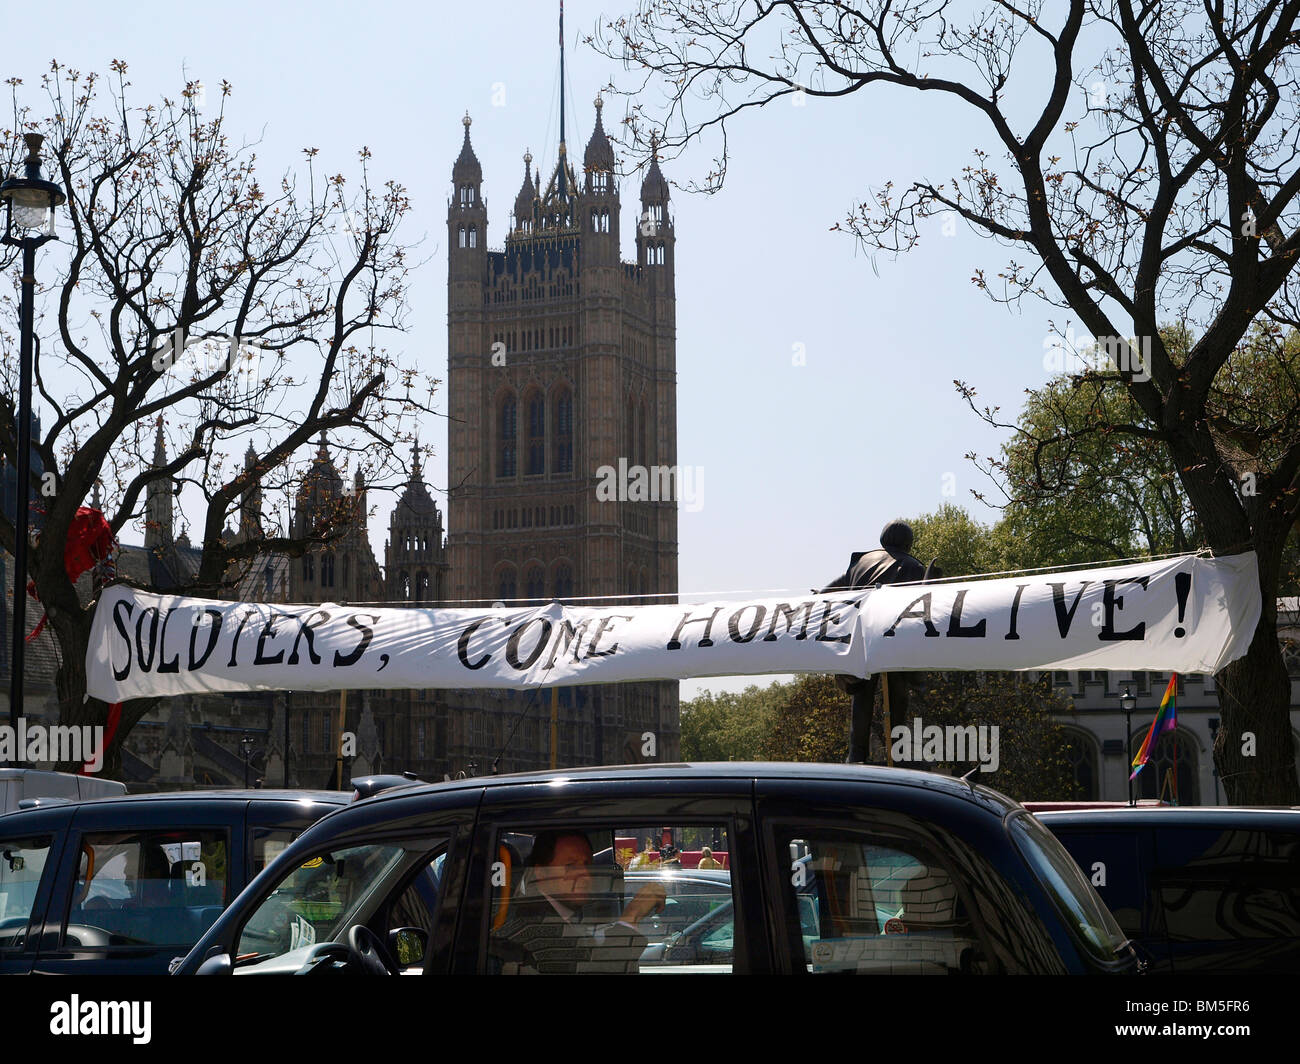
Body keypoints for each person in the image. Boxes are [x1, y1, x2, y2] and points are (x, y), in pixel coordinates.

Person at [821, 519, 936, 764]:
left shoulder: (861, 562)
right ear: (909, 543)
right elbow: (924, 598)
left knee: (861, 699)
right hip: (891, 643)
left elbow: (829, 591)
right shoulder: (913, 565)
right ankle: (898, 754)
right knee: (897, 698)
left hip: (859, 640)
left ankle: (856, 754)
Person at [490, 830, 667, 974]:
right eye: (571, 866)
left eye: (587, 864)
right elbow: (592, 969)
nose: (585, 874)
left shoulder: (572, 915)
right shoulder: (529, 926)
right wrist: (632, 915)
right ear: (540, 873)